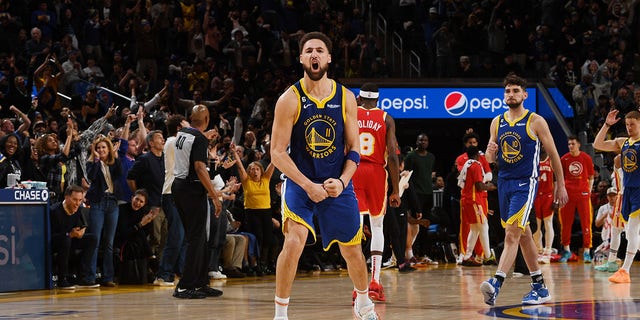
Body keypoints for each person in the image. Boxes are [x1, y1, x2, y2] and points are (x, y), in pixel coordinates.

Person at [270, 31, 378, 320]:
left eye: (319, 50)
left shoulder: (345, 97)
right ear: (301, 58)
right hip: (299, 182)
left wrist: (342, 181)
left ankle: (364, 302)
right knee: (294, 241)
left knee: (353, 250)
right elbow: (277, 153)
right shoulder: (289, 99)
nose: (314, 55)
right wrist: (307, 185)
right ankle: (280, 314)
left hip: (336, 183)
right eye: (309, 51)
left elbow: (355, 150)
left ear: (329, 57)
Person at [480, 73, 568, 306]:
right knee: (524, 235)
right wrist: (490, 153)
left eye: (516, 91)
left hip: (525, 183)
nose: (511, 94)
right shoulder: (496, 122)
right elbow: (491, 159)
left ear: (525, 95)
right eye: (508, 91)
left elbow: (554, 154)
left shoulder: (536, 121)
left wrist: (560, 184)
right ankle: (539, 287)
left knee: (511, 234)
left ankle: (496, 282)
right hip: (504, 183)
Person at [352, 82, 401, 302]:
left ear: (360, 98)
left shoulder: (351, 114)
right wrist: (396, 189)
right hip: (376, 173)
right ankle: (374, 282)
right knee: (377, 226)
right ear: (378, 100)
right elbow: (392, 156)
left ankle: (357, 286)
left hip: (353, 169)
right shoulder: (386, 119)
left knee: (355, 228)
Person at [171, 104, 223, 299]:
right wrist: (215, 196)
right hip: (192, 190)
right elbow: (200, 168)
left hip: (179, 187)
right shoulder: (199, 138)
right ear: (207, 119)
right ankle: (185, 286)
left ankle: (200, 283)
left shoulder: (183, 133)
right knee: (196, 238)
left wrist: (204, 138)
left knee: (199, 238)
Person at [593, 109, 640, 283]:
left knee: (633, 230)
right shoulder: (623, 142)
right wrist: (606, 125)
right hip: (626, 192)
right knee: (629, 234)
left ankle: (624, 270)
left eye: (633, 124)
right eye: (627, 124)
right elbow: (598, 145)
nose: (629, 127)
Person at [230, 141, 276, 274]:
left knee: (268, 238)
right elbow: (239, 166)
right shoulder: (246, 181)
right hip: (251, 212)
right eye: (251, 169)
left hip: (266, 211)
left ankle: (264, 263)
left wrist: (278, 151)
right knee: (258, 238)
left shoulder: (266, 179)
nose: (254, 171)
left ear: (261, 171)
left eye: (257, 169)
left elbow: (273, 163)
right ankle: (255, 264)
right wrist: (234, 153)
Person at [86, 135, 123, 288]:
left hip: (113, 202)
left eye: (103, 147)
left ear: (108, 149)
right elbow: (92, 176)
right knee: (94, 240)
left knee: (109, 242)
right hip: (98, 202)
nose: (101, 150)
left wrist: (115, 155)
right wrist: (96, 160)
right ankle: (89, 277)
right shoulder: (91, 163)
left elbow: (120, 174)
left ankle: (108, 277)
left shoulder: (114, 163)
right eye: (98, 147)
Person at [455, 130, 493, 262]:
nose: (472, 144)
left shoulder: (468, 163)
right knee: (482, 226)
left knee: (475, 228)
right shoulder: (474, 164)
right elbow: (479, 184)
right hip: (474, 198)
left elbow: (461, 181)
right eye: (470, 142)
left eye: (474, 142)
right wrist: (490, 186)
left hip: (473, 198)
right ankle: (487, 256)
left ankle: (471, 255)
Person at [50, 185, 98, 290]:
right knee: (66, 239)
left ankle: (82, 277)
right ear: (66, 197)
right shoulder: (54, 211)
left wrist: (81, 231)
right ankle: (62, 280)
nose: (77, 203)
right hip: (55, 242)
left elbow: (82, 226)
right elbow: (51, 236)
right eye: (75, 200)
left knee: (92, 239)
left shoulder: (78, 209)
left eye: (80, 200)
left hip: (70, 239)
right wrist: (69, 234)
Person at [558, 136, 594, 263]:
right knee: (566, 223)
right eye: (569, 144)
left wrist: (588, 190)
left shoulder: (586, 158)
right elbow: (560, 179)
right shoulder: (564, 159)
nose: (570, 146)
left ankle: (587, 252)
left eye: (573, 144)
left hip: (583, 194)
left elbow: (591, 177)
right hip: (568, 195)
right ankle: (567, 250)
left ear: (578, 144)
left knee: (586, 222)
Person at [532, 147, 556, 264]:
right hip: (536, 196)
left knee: (548, 223)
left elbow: (556, 181)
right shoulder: (534, 160)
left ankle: (548, 250)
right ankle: (539, 250)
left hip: (548, 195)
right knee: (536, 226)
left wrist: (555, 199)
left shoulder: (551, 160)